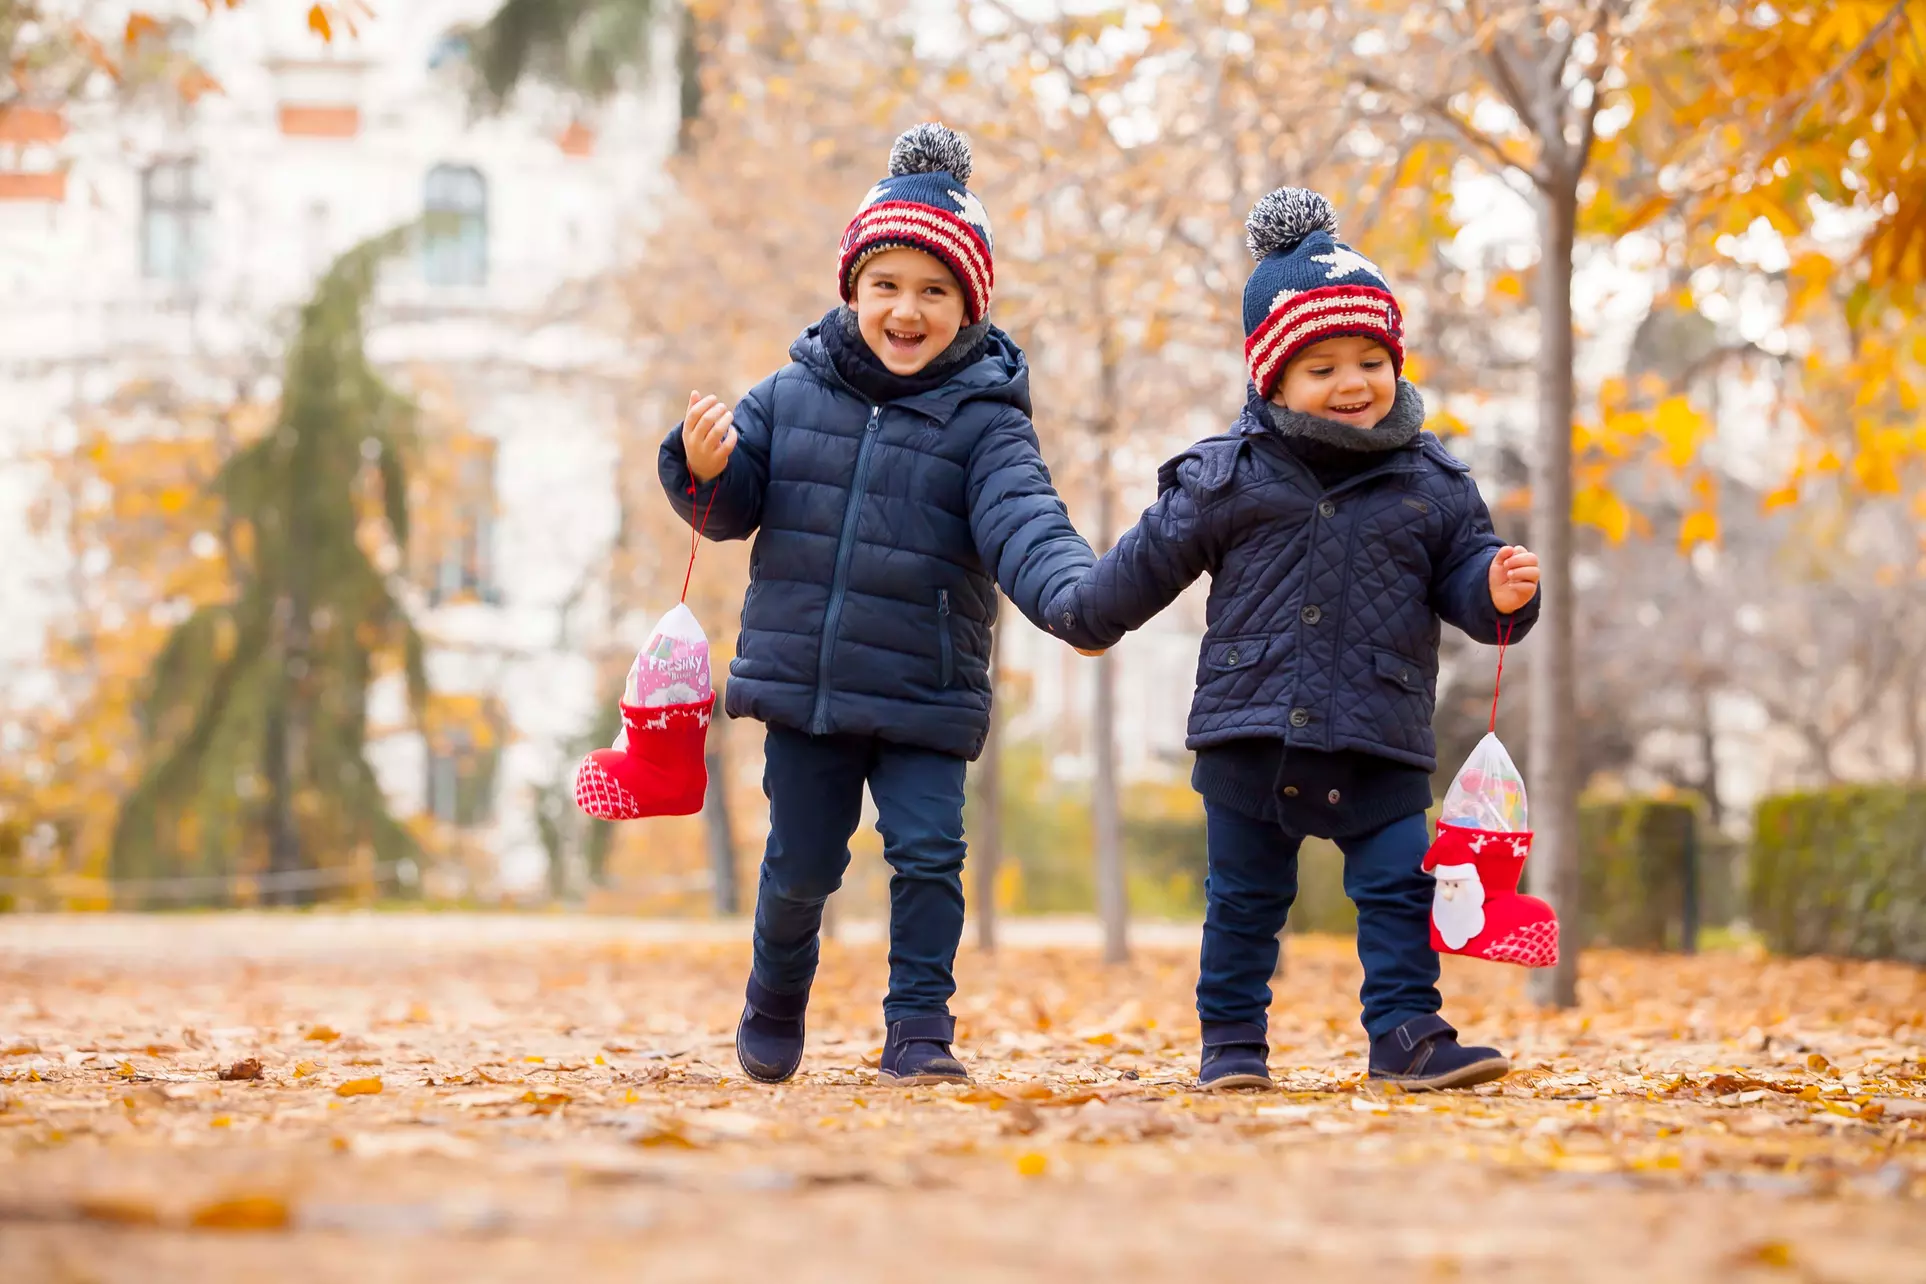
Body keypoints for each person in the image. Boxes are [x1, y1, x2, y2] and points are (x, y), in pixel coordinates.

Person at [1043, 188, 1542, 1091]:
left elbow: (1467, 576)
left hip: (1379, 726)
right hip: (1252, 720)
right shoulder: (1230, 476)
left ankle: (1408, 1034)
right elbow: (1153, 555)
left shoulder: (1434, 482)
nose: (1352, 383)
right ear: (1272, 378)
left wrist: (1497, 592)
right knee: (1244, 900)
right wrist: (1086, 618)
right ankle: (1232, 1043)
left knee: (1397, 889)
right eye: (1321, 367)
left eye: (1368, 359)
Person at [658, 124, 1094, 1087]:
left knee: (932, 854)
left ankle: (919, 1030)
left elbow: (1028, 522)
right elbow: (729, 510)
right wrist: (702, 468)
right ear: (852, 290)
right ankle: (774, 1002)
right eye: (887, 285)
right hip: (807, 686)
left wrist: (1076, 595)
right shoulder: (788, 393)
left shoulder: (985, 421)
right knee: (802, 868)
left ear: (969, 308)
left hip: (925, 689)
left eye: (935, 291)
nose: (908, 308)